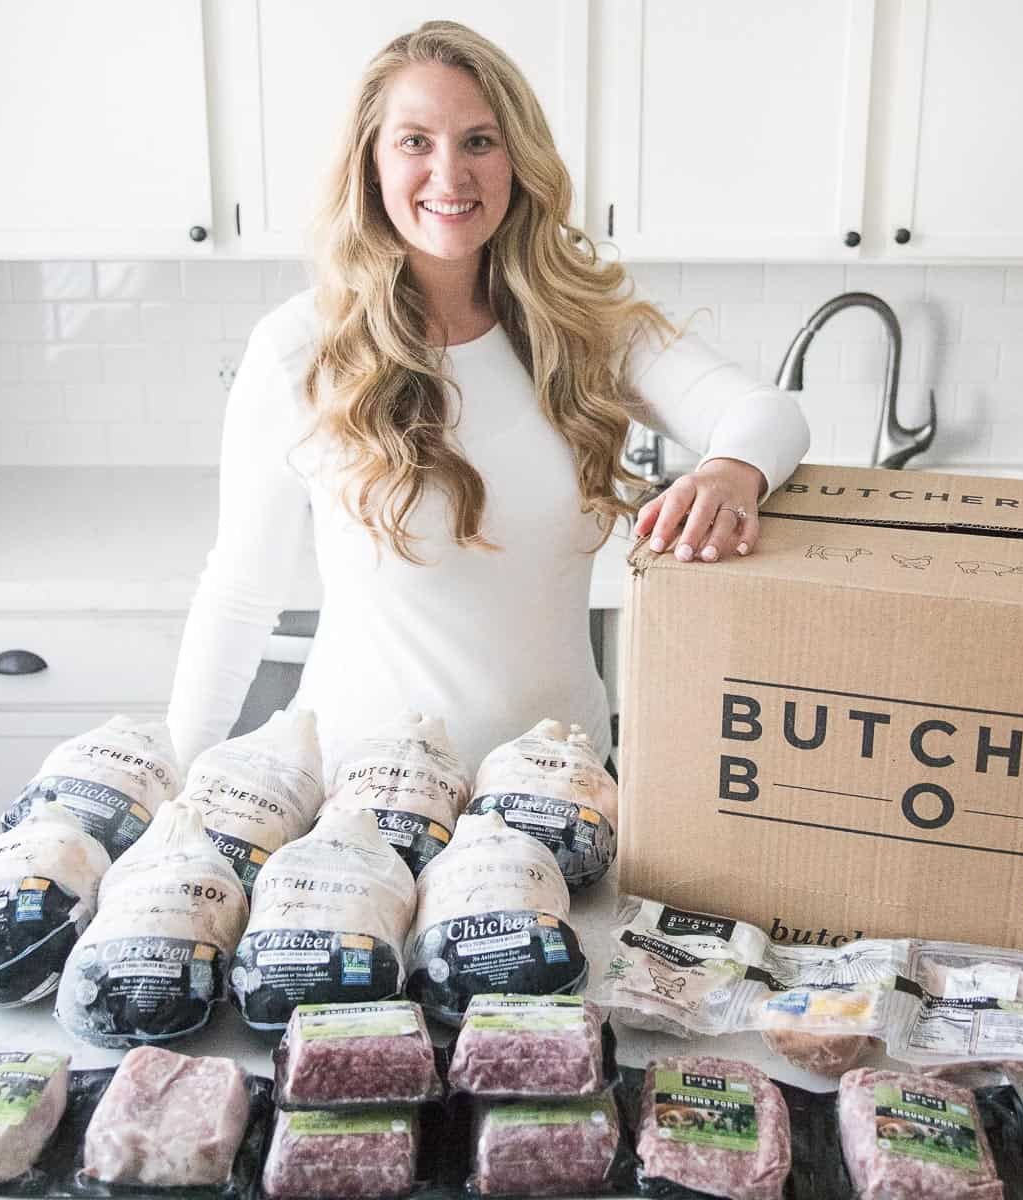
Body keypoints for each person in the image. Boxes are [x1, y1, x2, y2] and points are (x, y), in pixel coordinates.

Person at [165, 21, 809, 775]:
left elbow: (769, 414)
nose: (450, 175)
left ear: (518, 159)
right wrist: (172, 782)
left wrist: (729, 472)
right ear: (370, 165)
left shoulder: (584, 325)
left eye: (479, 141)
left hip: (558, 794)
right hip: (361, 801)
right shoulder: (300, 347)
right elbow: (239, 595)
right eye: (414, 142)